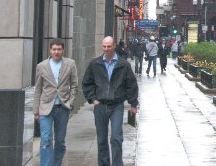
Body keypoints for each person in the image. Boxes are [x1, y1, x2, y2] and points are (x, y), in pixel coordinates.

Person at [82, 36, 139, 166]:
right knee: (101, 139)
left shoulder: (123, 64)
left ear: (114, 46)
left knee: (116, 138)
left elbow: (131, 85)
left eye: (109, 46)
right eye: (104, 46)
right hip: (100, 105)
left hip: (116, 105)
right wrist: (92, 99)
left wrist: (133, 104)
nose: (106, 49)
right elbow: (87, 83)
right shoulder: (95, 64)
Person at [33, 39, 79, 166]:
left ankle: (56, 163)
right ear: (50, 50)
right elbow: (38, 89)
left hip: (63, 107)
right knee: (46, 140)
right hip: (45, 108)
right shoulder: (41, 66)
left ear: (63, 50)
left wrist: (70, 102)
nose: (56, 52)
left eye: (59, 49)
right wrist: (36, 111)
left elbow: (75, 86)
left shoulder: (70, 64)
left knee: (60, 141)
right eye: (54, 49)